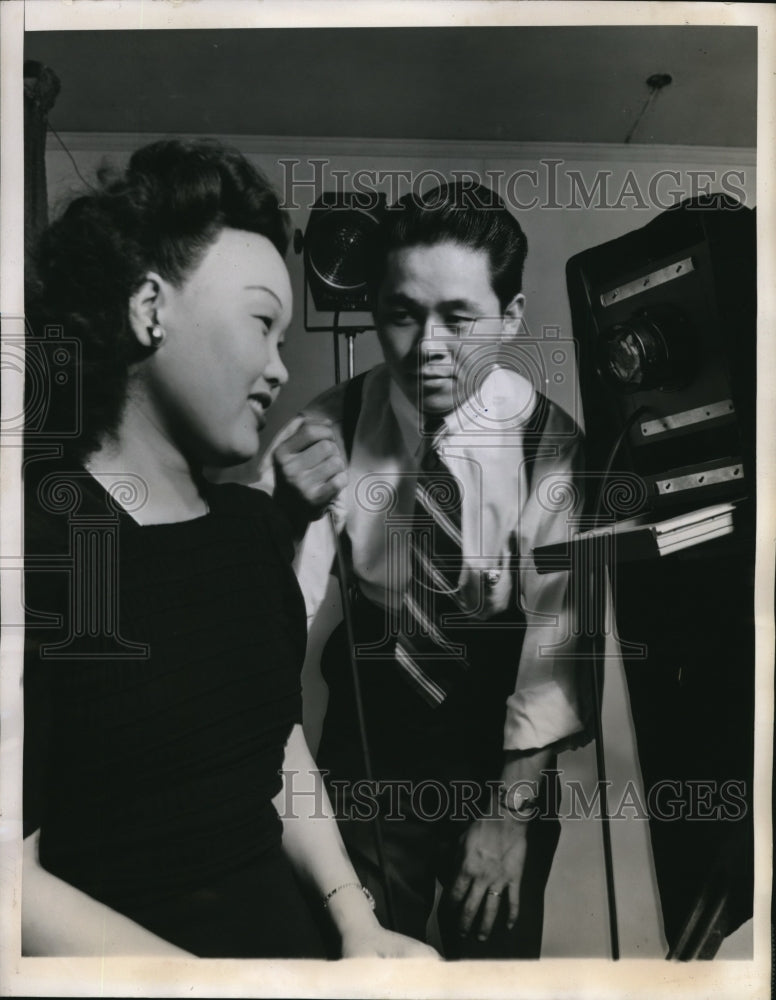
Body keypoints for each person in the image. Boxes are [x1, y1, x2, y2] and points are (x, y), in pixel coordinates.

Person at [21, 138, 438, 960]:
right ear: (150, 307)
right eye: (260, 323)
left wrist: (359, 925)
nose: (279, 369)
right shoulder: (43, 545)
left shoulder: (251, 530)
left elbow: (273, 745)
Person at [261, 182, 591, 958]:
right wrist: (281, 517)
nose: (428, 346)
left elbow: (558, 652)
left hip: (501, 752)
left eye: (459, 317)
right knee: (356, 964)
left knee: (495, 971)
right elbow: (269, 620)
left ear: (510, 317)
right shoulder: (328, 424)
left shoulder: (553, 447)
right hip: (370, 749)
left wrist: (508, 818)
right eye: (404, 313)